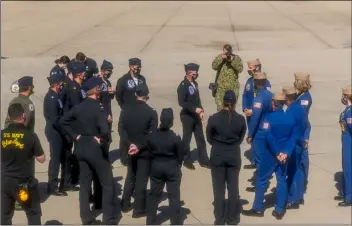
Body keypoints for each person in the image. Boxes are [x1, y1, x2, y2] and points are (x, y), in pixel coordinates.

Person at [60, 77, 117, 225]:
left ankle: (85, 217)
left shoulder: (79, 107)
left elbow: (63, 121)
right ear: (96, 91)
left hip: (81, 148)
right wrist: (103, 139)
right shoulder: (98, 108)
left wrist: (75, 136)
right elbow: (104, 131)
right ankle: (109, 219)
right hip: (95, 149)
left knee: (85, 185)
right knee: (108, 184)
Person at [242, 92, 296, 220]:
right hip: (284, 156)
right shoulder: (290, 118)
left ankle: (258, 208)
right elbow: (293, 137)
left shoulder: (269, 118)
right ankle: (279, 209)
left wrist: (277, 153)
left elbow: (268, 136)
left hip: (271, 155)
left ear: (273, 103)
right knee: (282, 180)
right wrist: (286, 152)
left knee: (261, 180)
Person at [206, 90, 246, 225]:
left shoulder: (214, 118)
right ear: (235, 103)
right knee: (233, 187)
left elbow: (209, 138)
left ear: (223, 102)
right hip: (233, 154)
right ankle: (233, 217)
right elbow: (240, 138)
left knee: (218, 188)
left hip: (218, 154)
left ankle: (220, 217)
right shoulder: (240, 119)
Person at [1, 104, 45, 225]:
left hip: (6, 182)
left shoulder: (2, 134)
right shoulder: (30, 135)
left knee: (5, 215)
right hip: (23, 184)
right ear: (23, 116)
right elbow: (41, 159)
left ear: (9, 117)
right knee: (33, 213)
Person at [119, 83, 158, 218]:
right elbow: (151, 135)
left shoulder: (126, 109)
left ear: (136, 94)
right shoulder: (151, 112)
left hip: (130, 149)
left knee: (131, 176)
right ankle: (139, 209)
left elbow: (121, 130)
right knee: (142, 179)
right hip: (144, 151)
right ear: (147, 96)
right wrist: (139, 146)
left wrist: (130, 144)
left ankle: (125, 203)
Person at [146, 108, 184, 225]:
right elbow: (180, 156)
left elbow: (149, 152)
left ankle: (150, 222)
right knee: (174, 197)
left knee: (154, 196)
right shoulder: (175, 137)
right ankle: (175, 222)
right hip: (171, 167)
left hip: (156, 166)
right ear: (171, 122)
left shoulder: (152, 136)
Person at [177, 63, 210, 170]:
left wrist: (201, 110)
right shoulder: (183, 85)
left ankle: (204, 160)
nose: (197, 74)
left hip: (196, 116)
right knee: (187, 138)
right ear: (189, 72)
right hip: (187, 116)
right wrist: (194, 109)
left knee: (200, 137)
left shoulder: (194, 84)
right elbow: (181, 102)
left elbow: (197, 99)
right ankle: (186, 160)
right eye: (195, 72)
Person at [116, 57, 148, 166]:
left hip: (139, 110)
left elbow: (146, 91)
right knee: (125, 133)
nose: (138, 69)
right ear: (130, 67)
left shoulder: (142, 79)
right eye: (136, 67)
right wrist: (124, 107)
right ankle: (124, 156)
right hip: (127, 110)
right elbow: (119, 96)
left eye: (139, 67)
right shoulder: (123, 80)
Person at [245, 72, 273, 192]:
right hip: (269, 129)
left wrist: (250, 134)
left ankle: (260, 185)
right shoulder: (270, 95)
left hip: (260, 132)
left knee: (259, 159)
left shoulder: (259, 97)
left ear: (256, 83)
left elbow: (255, 118)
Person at [44, 73, 70, 196]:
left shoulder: (56, 95)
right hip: (55, 132)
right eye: (61, 84)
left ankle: (63, 184)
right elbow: (54, 120)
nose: (62, 85)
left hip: (57, 130)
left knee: (62, 158)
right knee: (55, 159)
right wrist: (65, 132)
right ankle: (52, 186)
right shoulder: (52, 98)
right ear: (56, 84)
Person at [242, 59, 271, 170]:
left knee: (258, 138)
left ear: (257, 67)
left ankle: (260, 161)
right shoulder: (250, 81)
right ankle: (254, 160)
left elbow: (264, 101)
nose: (249, 70)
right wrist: (245, 108)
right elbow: (245, 95)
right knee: (252, 137)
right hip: (249, 114)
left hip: (259, 116)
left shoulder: (265, 83)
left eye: (251, 67)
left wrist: (253, 112)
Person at [283, 87, 308, 209]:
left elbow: (288, 129)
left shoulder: (290, 111)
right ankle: (299, 196)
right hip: (300, 142)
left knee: (292, 171)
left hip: (293, 144)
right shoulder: (300, 109)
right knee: (298, 170)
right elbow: (305, 124)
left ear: (287, 98)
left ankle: (293, 199)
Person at [293, 72, 312, 193]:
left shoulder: (305, 98)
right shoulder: (300, 95)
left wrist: (303, 136)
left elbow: (302, 118)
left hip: (302, 129)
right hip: (300, 128)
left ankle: (302, 183)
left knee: (302, 158)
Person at [211, 44, 243, 111]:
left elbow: (240, 69)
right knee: (220, 109)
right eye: (225, 50)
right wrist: (221, 59)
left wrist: (232, 61)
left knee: (231, 109)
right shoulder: (220, 57)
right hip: (220, 89)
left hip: (232, 88)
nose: (226, 53)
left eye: (228, 51)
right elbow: (214, 67)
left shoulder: (236, 58)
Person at [335, 86, 352, 207]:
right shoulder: (347, 110)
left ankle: (349, 196)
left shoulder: (350, 112)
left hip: (349, 144)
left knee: (348, 170)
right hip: (345, 142)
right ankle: (345, 191)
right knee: (346, 169)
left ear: (346, 97)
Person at [99, 59, 115, 157]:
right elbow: (97, 99)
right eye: (108, 71)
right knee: (102, 138)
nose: (110, 73)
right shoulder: (98, 82)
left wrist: (112, 93)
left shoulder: (107, 82)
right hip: (101, 113)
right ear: (102, 70)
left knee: (107, 138)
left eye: (111, 71)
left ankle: (106, 157)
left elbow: (109, 98)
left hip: (108, 111)